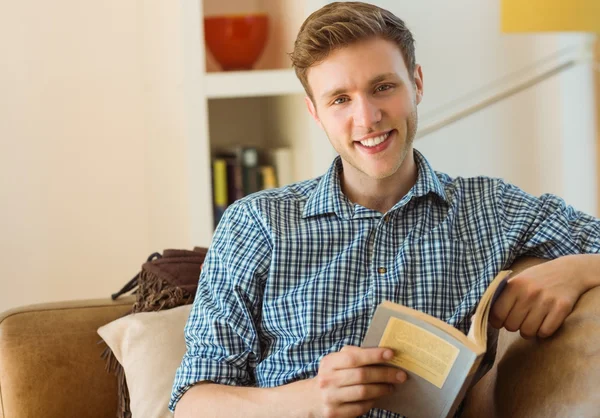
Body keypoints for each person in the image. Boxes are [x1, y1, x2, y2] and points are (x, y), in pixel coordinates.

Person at [170, 2, 600, 417]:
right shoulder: (256, 223)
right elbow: (193, 402)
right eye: (340, 99)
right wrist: (313, 401)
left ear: (416, 83)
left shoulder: (492, 210)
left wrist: (579, 269)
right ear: (315, 112)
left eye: (383, 87)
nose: (368, 117)